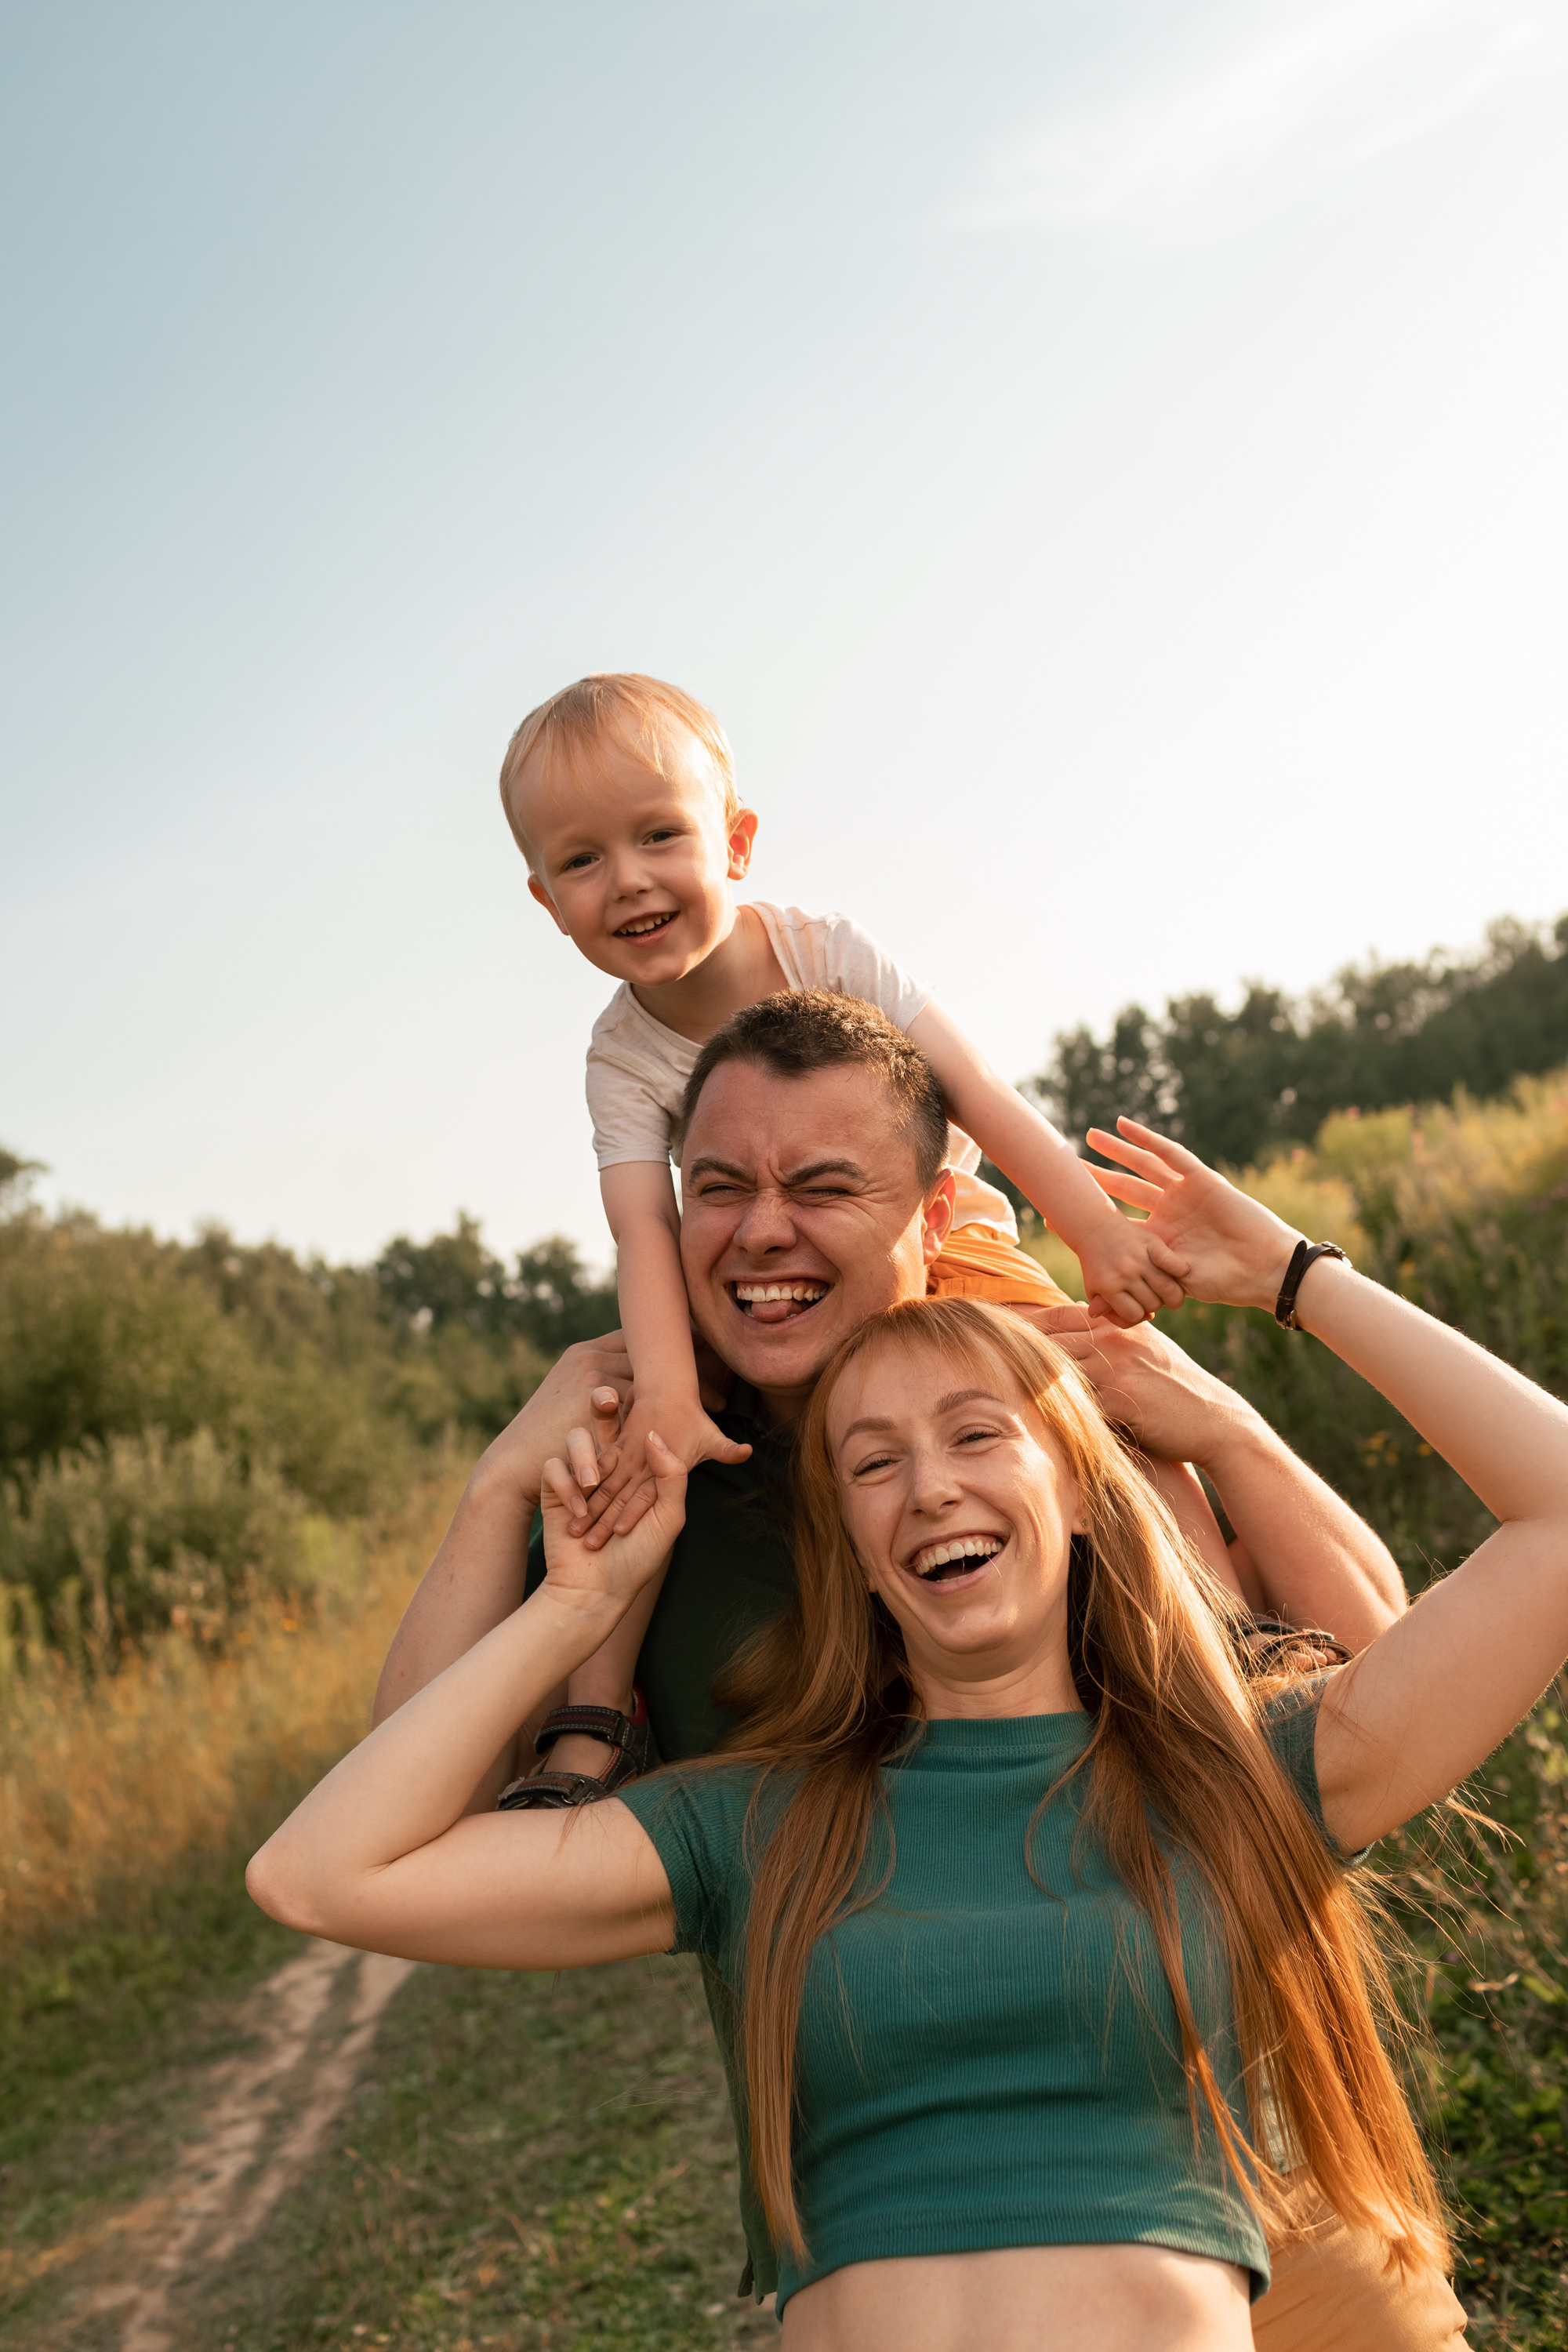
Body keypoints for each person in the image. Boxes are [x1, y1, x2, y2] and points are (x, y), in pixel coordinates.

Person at [245, 1113, 1566, 2347]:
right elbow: (320, 1873)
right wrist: (573, 1597)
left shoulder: (1240, 1774)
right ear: (854, 1552)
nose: (929, 1487)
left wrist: (1294, 1277)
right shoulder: (756, 1823)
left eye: (977, 1435)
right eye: (874, 1463)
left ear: (1084, 1488)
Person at [495, 671, 1191, 1792]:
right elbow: (643, 1229)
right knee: (642, 1446)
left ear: (735, 843)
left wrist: (1096, 1231)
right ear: (544, 900)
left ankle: (1222, 1621)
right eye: (582, 861)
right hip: (758, 1285)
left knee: (1101, 1385)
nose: (627, 881)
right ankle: (591, 1722)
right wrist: (669, 1391)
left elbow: (978, 1093)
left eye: (659, 836)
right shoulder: (621, 1058)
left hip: (944, 1242)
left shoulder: (825, 952)